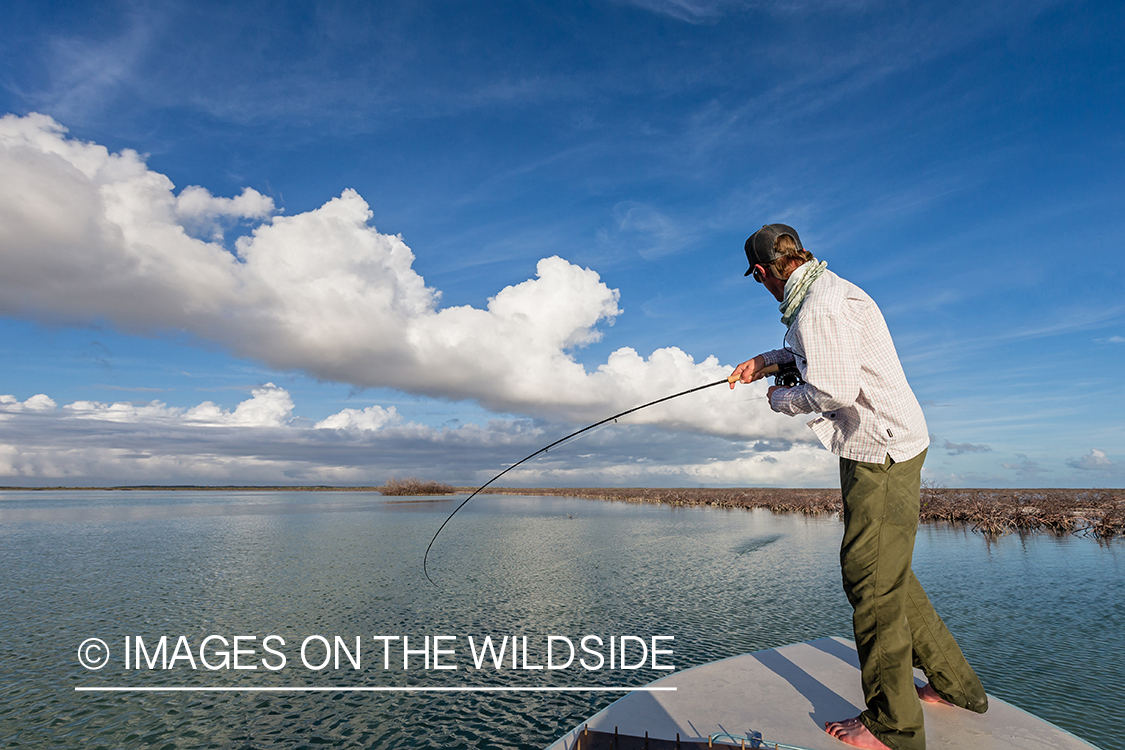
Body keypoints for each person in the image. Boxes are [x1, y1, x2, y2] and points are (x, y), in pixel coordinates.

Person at [727, 224, 989, 750]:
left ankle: (893, 726)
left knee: (870, 580)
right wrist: (767, 362)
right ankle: (955, 685)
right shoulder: (825, 288)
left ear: (761, 272)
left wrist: (782, 400)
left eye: (756, 281)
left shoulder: (818, 305)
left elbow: (833, 387)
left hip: (881, 449)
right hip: (881, 443)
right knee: (886, 571)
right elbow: (822, 355)